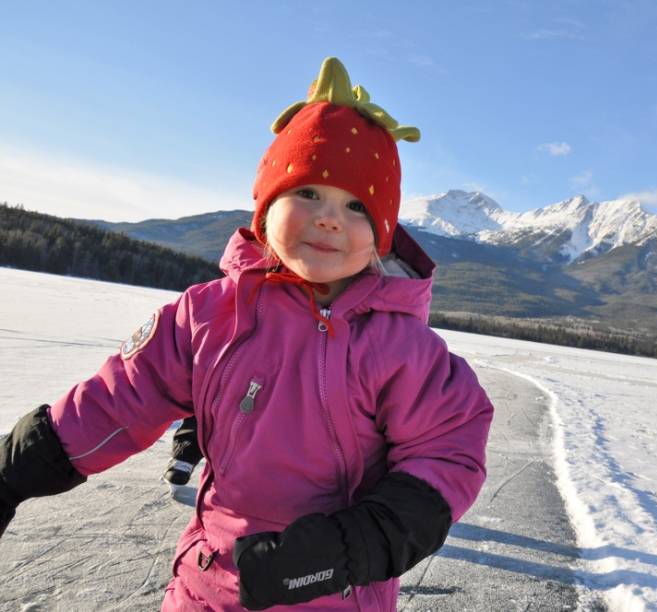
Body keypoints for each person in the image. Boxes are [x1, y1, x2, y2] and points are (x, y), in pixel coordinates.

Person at [0, 57, 493, 610]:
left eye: (356, 206)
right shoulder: (208, 315)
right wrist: (10, 472)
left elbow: (448, 452)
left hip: (334, 589)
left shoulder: (404, 351)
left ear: (380, 236)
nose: (330, 218)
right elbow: (116, 402)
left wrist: (353, 544)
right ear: (266, 208)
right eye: (309, 193)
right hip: (206, 583)